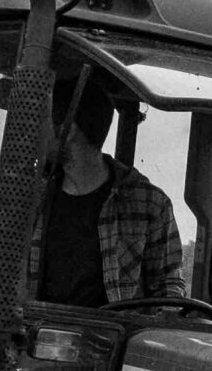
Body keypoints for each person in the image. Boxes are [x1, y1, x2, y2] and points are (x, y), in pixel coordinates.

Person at [26, 75, 186, 307]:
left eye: (41, 122)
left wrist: (166, 312)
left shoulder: (150, 203)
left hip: (111, 339)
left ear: (68, 131)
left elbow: (168, 285)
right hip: (34, 335)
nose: (33, 133)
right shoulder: (30, 194)